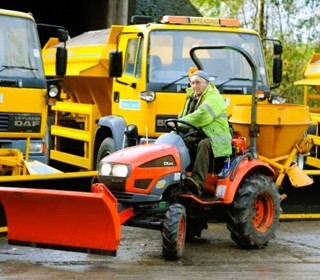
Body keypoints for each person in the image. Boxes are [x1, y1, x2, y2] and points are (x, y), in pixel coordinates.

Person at [168, 70, 232, 196]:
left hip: (217, 138)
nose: (195, 86)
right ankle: (176, 178)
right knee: (176, 144)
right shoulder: (191, 98)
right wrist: (172, 133)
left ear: (206, 83)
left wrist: (179, 123)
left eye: (198, 82)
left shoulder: (213, 97)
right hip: (199, 134)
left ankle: (197, 183)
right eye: (192, 83)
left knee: (204, 144)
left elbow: (201, 116)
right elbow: (181, 117)